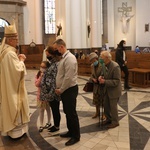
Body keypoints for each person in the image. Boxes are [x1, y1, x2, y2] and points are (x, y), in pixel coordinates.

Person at [0, 21, 30, 138]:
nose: (17, 41)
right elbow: (18, 71)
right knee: (15, 105)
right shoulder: (10, 54)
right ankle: (16, 133)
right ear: (10, 40)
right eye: (16, 39)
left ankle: (12, 132)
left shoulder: (3, 51)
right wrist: (21, 60)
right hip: (13, 88)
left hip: (7, 85)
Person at [54, 39, 80, 146]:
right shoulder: (65, 58)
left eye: (56, 48)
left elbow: (68, 78)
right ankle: (71, 131)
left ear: (61, 47)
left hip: (69, 90)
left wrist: (61, 89)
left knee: (71, 113)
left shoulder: (70, 59)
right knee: (67, 112)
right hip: (66, 90)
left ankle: (76, 136)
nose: (56, 51)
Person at [98, 51, 122, 129]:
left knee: (113, 107)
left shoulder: (115, 66)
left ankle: (115, 122)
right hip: (106, 89)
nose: (100, 58)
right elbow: (103, 74)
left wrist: (105, 81)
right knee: (106, 105)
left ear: (107, 58)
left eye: (101, 57)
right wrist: (101, 77)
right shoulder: (104, 65)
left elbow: (116, 81)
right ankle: (108, 119)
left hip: (114, 91)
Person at [42, 46, 61, 133]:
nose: (47, 56)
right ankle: (55, 125)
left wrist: (51, 93)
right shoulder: (52, 63)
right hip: (50, 92)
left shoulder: (55, 64)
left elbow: (54, 80)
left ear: (52, 54)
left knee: (55, 109)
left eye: (48, 54)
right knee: (54, 109)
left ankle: (57, 126)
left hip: (53, 92)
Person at [35, 61, 51, 132]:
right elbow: (37, 84)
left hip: (47, 95)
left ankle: (49, 122)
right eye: (41, 67)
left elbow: (49, 85)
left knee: (48, 109)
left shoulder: (49, 75)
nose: (42, 68)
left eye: (44, 67)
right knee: (41, 110)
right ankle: (41, 125)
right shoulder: (38, 74)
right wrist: (41, 77)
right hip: (40, 96)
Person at [88, 52, 106, 120]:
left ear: (96, 59)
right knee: (96, 100)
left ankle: (104, 114)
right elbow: (92, 75)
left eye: (93, 60)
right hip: (95, 85)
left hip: (101, 85)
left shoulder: (102, 65)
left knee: (103, 100)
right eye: (91, 61)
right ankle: (97, 112)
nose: (92, 62)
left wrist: (101, 78)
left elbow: (105, 74)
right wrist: (92, 79)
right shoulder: (92, 66)